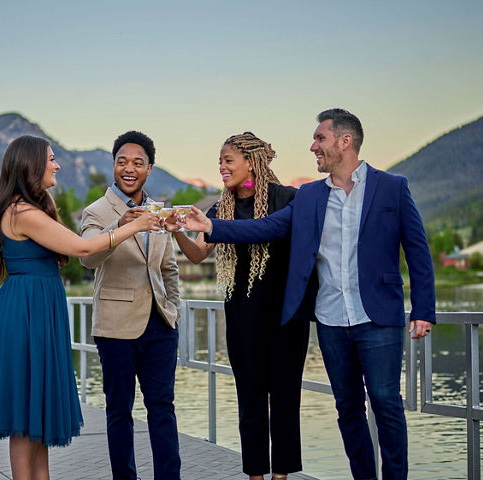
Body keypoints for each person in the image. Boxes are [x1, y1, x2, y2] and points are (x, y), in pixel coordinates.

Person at [183, 109, 436, 480]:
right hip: (331, 319)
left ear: (344, 141)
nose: (312, 146)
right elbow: (267, 227)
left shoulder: (391, 187)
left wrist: (424, 309)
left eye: (320, 139)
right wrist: (211, 225)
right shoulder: (309, 197)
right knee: (348, 408)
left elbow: (417, 249)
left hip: (378, 316)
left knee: (386, 403)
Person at [0, 135, 160, 480]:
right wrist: (134, 225)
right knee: (23, 414)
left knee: (38, 414)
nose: (57, 165)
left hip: (38, 307)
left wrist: (122, 224)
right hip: (27, 311)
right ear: (32, 164)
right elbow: (81, 247)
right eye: (50, 159)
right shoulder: (21, 212)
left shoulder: (31, 207)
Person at [167, 132, 311, 479]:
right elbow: (199, 254)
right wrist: (176, 232)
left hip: (286, 318)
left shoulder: (287, 199)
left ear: (251, 162)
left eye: (228, 161)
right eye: (220, 162)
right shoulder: (220, 209)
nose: (221, 168)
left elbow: (280, 235)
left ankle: (282, 475)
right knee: (250, 401)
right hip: (242, 318)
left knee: (285, 402)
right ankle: (256, 475)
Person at [79, 130, 182, 480]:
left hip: (160, 326)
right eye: (122, 161)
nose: (129, 168)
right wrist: (118, 226)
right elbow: (87, 258)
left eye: (138, 163)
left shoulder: (158, 212)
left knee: (163, 410)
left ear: (149, 169)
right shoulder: (96, 211)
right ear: (114, 165)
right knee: (119, 412)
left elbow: (168, 267)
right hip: (116, 326)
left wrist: (174, 311)